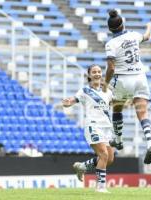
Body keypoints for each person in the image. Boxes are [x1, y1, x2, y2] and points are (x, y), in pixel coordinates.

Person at [102, 9, 151, 164]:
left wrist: (106, 83)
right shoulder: (133, 35)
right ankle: (150, 143)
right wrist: (149, 26)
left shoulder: (111, 44)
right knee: (143, 113)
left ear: (110, 29)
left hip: (124, 80)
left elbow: (111, 67)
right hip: (140, 77)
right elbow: (146, 36)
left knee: (117, 107)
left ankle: (118, 140)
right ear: (122, 23)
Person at [62, 64, 114, 193]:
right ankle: (100, 187)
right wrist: (68, 103)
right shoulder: (85, 90)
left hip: (106, 127)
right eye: (94, 72)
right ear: (89, 75)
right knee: (103, 154)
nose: (97, 74)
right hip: (93, 125)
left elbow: (114, 105)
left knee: (110, 158)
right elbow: (74, 100)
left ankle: (83, 166)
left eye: (99, 71)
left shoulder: (108, 92)